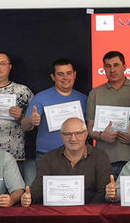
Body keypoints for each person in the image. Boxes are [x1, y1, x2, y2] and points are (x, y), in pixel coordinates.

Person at [21, 58, 88, 186]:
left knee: (77, 193)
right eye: (60, 74)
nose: (65, 77)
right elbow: (25, 125)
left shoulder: (84, 99)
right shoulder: (41, 97)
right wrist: (31, 120)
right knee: (46, 194)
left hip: (77, 157)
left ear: (74, 74)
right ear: (53, 77)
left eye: (69, 73)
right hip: (47, 157)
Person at [22, 117, 111, 205]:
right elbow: (38, 190)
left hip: (90, 211)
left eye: (78, 133)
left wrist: (85, 210)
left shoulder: (100, 156)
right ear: (62, 136)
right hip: (57, 211)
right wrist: (28, 197)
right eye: (68, 134)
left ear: (86, 134)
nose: (73, 138)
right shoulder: (49, 158)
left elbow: (103, 192)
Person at [86, 51, 130, 177]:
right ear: (103, 68)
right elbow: (90, 129)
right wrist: (101, 136)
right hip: (105, 160)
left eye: (116, 65)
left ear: (124, 66)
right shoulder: (95, 93)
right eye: (108, 66)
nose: (112, 70)